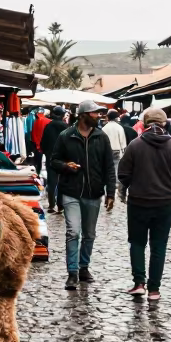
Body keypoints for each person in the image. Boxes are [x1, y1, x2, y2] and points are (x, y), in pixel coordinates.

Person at [117, 107, 171, 301]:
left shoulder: (135, 145)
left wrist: (133, 184)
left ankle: (139, 283)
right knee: (159, 246)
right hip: (165, 204)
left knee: (137, 243)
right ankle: (154, 289)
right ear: (165, 124)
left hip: (139, 202)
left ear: (145, 123)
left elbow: (123, 173)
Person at [49, 99, 116, 291]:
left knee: (89, 234)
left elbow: (109, 168)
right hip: (71, 191)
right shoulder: (66, 136)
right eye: (94, 113)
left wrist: (110, 193)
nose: (98, 115)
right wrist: (65, 166)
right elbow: (53, 161)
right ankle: (72, 272)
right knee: (73, 232)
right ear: (84, 115)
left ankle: (84, 267)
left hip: (93, 193)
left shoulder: (101, 137)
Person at [39, 106, 69, 213]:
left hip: (51, 158)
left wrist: (47, 152)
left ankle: (51, 205)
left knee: (52, 181)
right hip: (63, 158)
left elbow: (43, 143)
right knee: (62, 182)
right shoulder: (66, 127)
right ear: (61, 115)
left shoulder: (48, 126)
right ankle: (60, 206)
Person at [30, 107, 50, 181]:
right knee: (48, 162)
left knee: (38, 161)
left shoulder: (36, 122)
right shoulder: (49, 121)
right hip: (47, 144)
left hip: (38, 143)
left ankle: (37, 174)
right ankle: (48, 177)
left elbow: (33, 133)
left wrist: (35, 142)